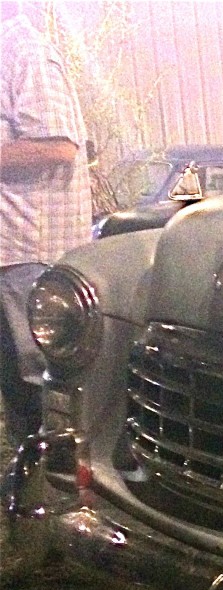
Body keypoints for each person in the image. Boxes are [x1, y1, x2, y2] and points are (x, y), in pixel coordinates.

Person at [1, 1, 92, 447]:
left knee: (42, 385)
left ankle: (59, 490)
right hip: (9, 257)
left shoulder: (24, 52)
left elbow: (59, 146)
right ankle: (30, 479)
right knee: (18, 388)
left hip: (28, 256)